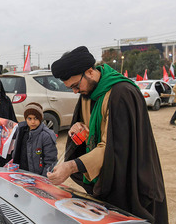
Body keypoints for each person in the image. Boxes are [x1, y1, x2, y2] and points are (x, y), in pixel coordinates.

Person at [46, 46, 168, 223]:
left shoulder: (122, 93)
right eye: (70, 88)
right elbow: (89, 131)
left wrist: (71, 166)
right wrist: (77, 129)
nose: (74, 92)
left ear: (90, 71)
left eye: (75, 86)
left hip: (129, 179)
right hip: (104, 177)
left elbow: (114, 147)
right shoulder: (87, 92)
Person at [12, 103, 57, 176]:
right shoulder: (20, 130)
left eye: (36, 118)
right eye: (29, 118)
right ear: (26, 119)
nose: (32, 122)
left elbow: (50, 162)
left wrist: (43, 179)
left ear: (40, 118)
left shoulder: (46, 136)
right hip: (19, 173)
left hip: (36, 176)